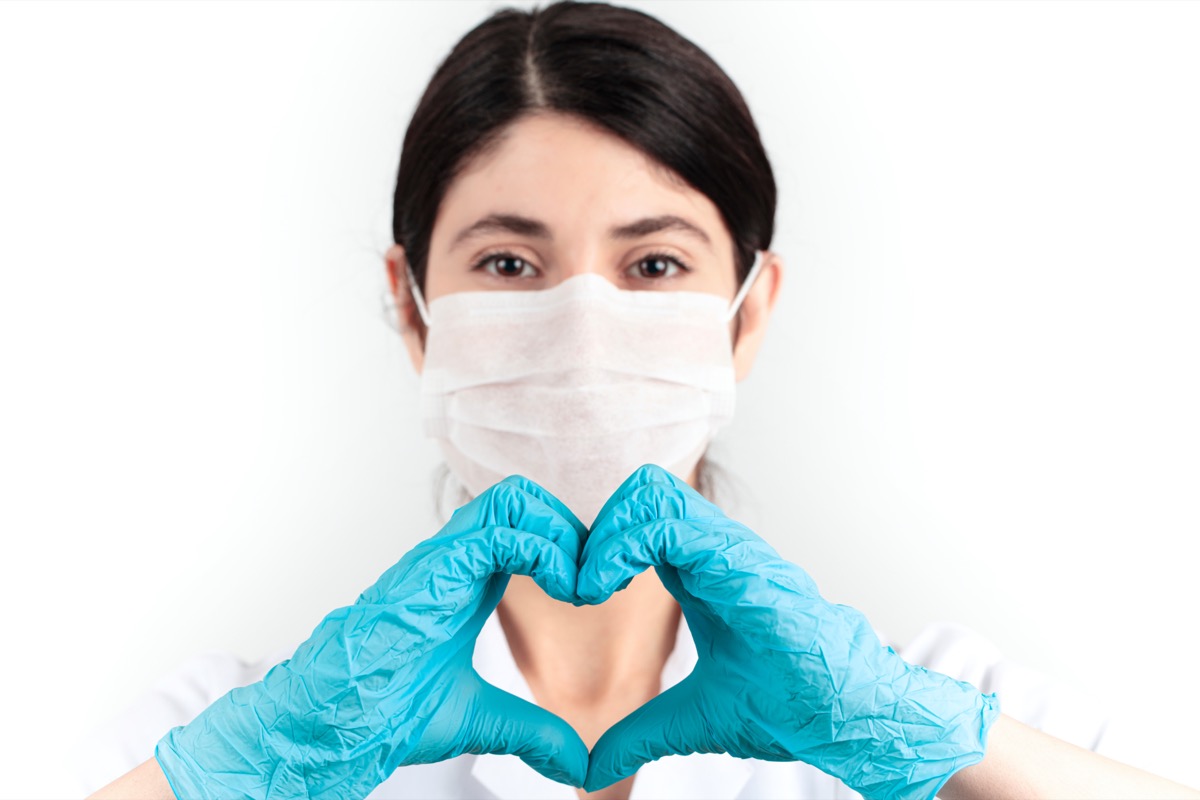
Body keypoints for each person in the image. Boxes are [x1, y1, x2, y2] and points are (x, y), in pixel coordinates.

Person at [83, 2, 1199, 799]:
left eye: (654, 265)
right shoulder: (219, 737)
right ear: (413, 307)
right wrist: (233, 780)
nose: (581, 328)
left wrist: (938, 747)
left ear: (748, 312)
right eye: (511, 265)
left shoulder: (965, 710)